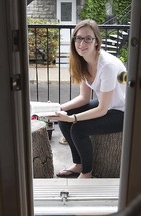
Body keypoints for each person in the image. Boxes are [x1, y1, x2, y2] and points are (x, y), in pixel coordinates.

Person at [48, 19, 126, 179]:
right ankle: (78, 164)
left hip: (123, 111)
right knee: (63, 120)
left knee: (78, 128)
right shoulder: (83, 62)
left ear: (97, 41)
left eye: (88, 38)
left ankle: (87, 173)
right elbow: (84, 98)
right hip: (109, 104)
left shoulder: (107, 66)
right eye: (78, 38)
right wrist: (59, 109)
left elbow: (102, 109)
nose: (82, 43)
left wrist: (73, 118)